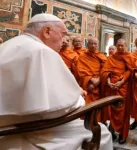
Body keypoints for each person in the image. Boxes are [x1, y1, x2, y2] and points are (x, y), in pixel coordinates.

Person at [0, 14, 112, 149]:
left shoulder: (6, 45)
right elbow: (58, 109)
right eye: (63, 34)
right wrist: (78, 98)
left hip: (6, 126)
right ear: (47, 31)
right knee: (104, 133)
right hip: (30, 130)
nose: (65, 40)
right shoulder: (42, 51)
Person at [100, 39, 133, 144]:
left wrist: (121, 82)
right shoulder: (111, 58)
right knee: (112, 109)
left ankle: (122, 134)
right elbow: (105, 71)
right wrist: (108, 82)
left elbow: (130, 70)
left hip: (122, 87)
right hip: (111, 87)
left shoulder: (129, 57)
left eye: (122, 45)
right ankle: (112, 131)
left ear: (126, 46)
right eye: (118, 45)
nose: (119, 48)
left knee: (122, 110)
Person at [76, 37, 107, 121]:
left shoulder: (102, 57)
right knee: (86, 107)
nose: (93, 45)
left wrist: (98, 80)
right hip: (87, 86)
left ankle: (96, 123)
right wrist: (90, 79)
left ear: (98, 45)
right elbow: (80, 70)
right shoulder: (82, 56)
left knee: (97, 108)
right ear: (87, 44)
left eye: (95, 44)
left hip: (98, 86)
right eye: (91, 43)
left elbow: (105, 70)